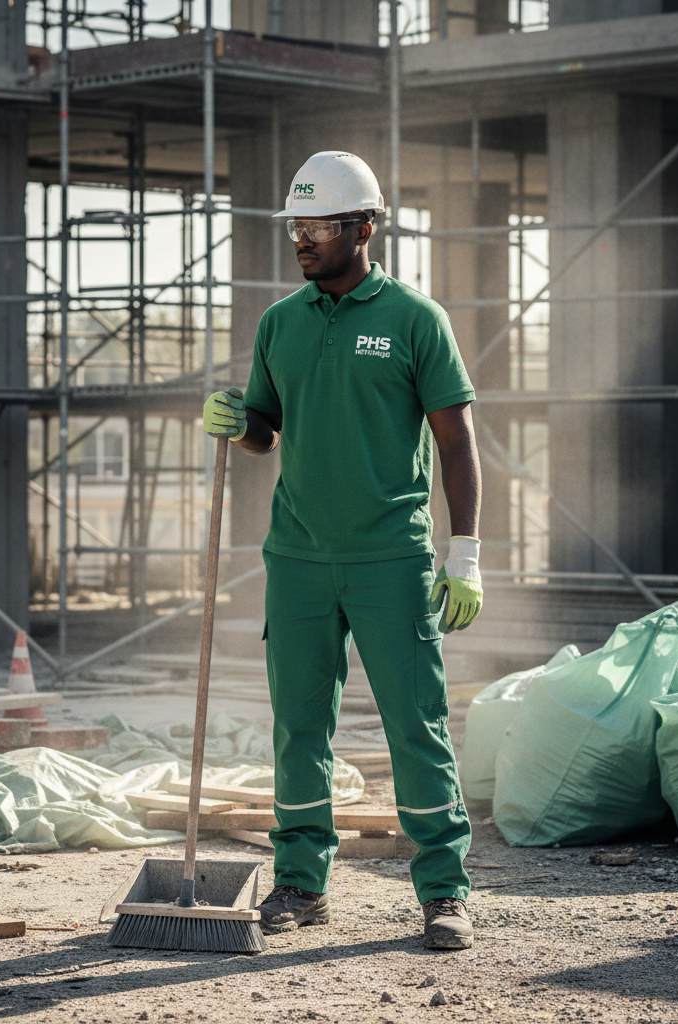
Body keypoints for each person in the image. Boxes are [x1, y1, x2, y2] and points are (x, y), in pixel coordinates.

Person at [202, 151, 482, 950]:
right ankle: (301, 883)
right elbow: (266, 431)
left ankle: (444, 892)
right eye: (296, 226)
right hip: (296, 560)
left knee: (416, 725)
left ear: (364, 227)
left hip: (392, 558)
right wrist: (239, 424)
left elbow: (457, 443)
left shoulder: (416, 319)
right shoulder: (280, 323)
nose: (302, 239)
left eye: (318, 226)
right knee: (298, 727)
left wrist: (465, 552)